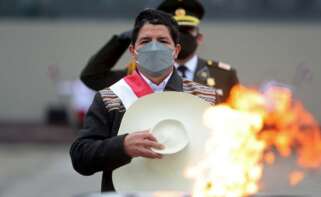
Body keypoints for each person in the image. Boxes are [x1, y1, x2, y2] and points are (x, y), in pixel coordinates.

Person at [70, 9, 217, 192]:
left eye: (163, 41)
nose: (154, 48)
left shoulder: (203, 97)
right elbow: (80, 157)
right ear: (133, 50)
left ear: (176, 50)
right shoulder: (111, 97)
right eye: (145, 41)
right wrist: (121, 146)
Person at [80, 0, 239, 102]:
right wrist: (120, 41)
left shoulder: (223, 75)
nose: (182, 36)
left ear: (199, 38)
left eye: (187, 30)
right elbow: (92, 77)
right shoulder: (140, 74)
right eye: (176, 31)